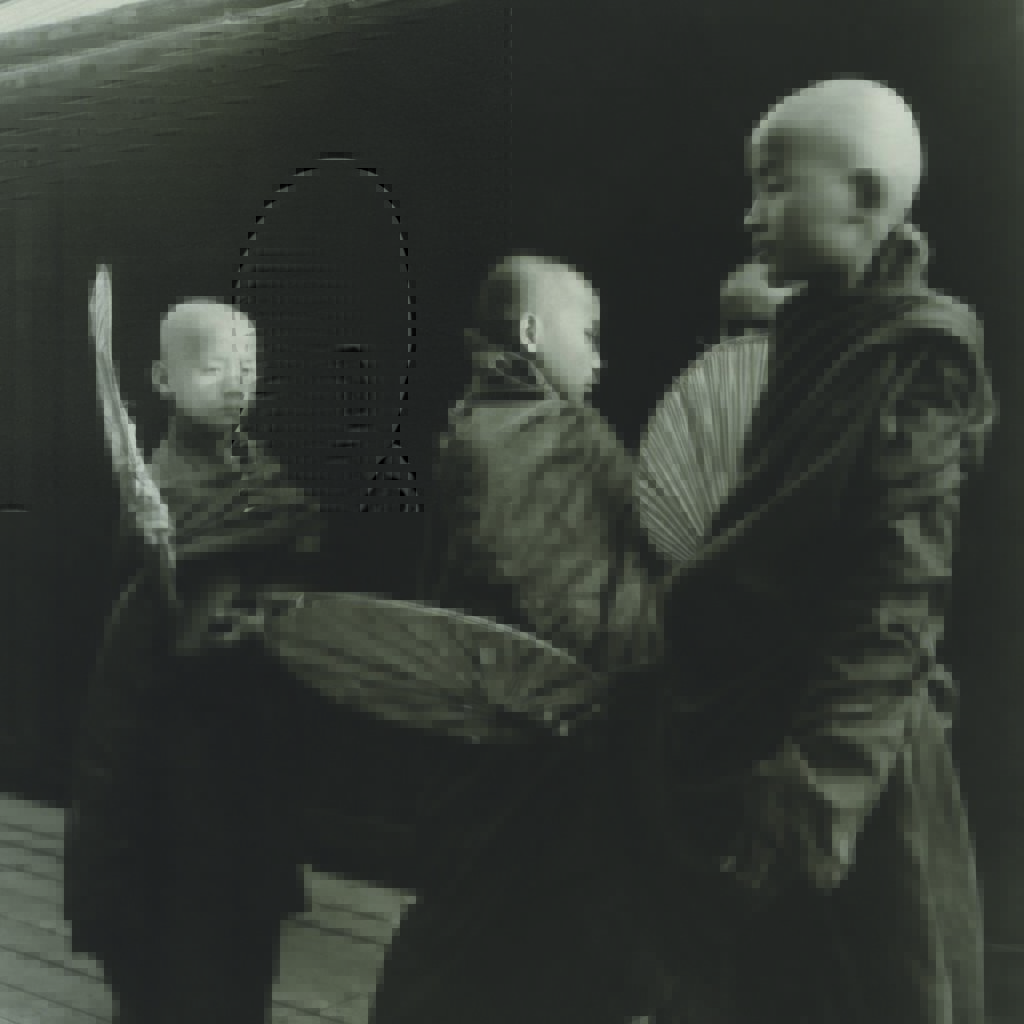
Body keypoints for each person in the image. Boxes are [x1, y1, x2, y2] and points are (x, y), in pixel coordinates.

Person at [611, 78, 996, 1023]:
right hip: (749, 727)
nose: (751, 213)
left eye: (776, 184)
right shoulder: (812, 331)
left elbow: (895, 598)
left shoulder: (915, 357)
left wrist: (822, 788)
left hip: (840, 759)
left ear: (865, 198)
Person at [369, 253, 672, 1024]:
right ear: (532, 333)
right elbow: (552, 599)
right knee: (502, 925)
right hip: (533, 730)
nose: (601, 357)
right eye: (590, 333)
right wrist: (647, 647)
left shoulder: (492, 422)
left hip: (508, 727)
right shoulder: (526, 433)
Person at [65, 299, 329, 1023]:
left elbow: (292, 561)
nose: (237, 381)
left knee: (246, 953)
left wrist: (272, 618)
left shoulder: (262, 478)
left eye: (248, 365)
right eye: (214, 368)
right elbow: (135, 660)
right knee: (179, 958)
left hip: (250, 756)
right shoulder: (157, 499)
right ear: (162, 379)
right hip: (176, 769)